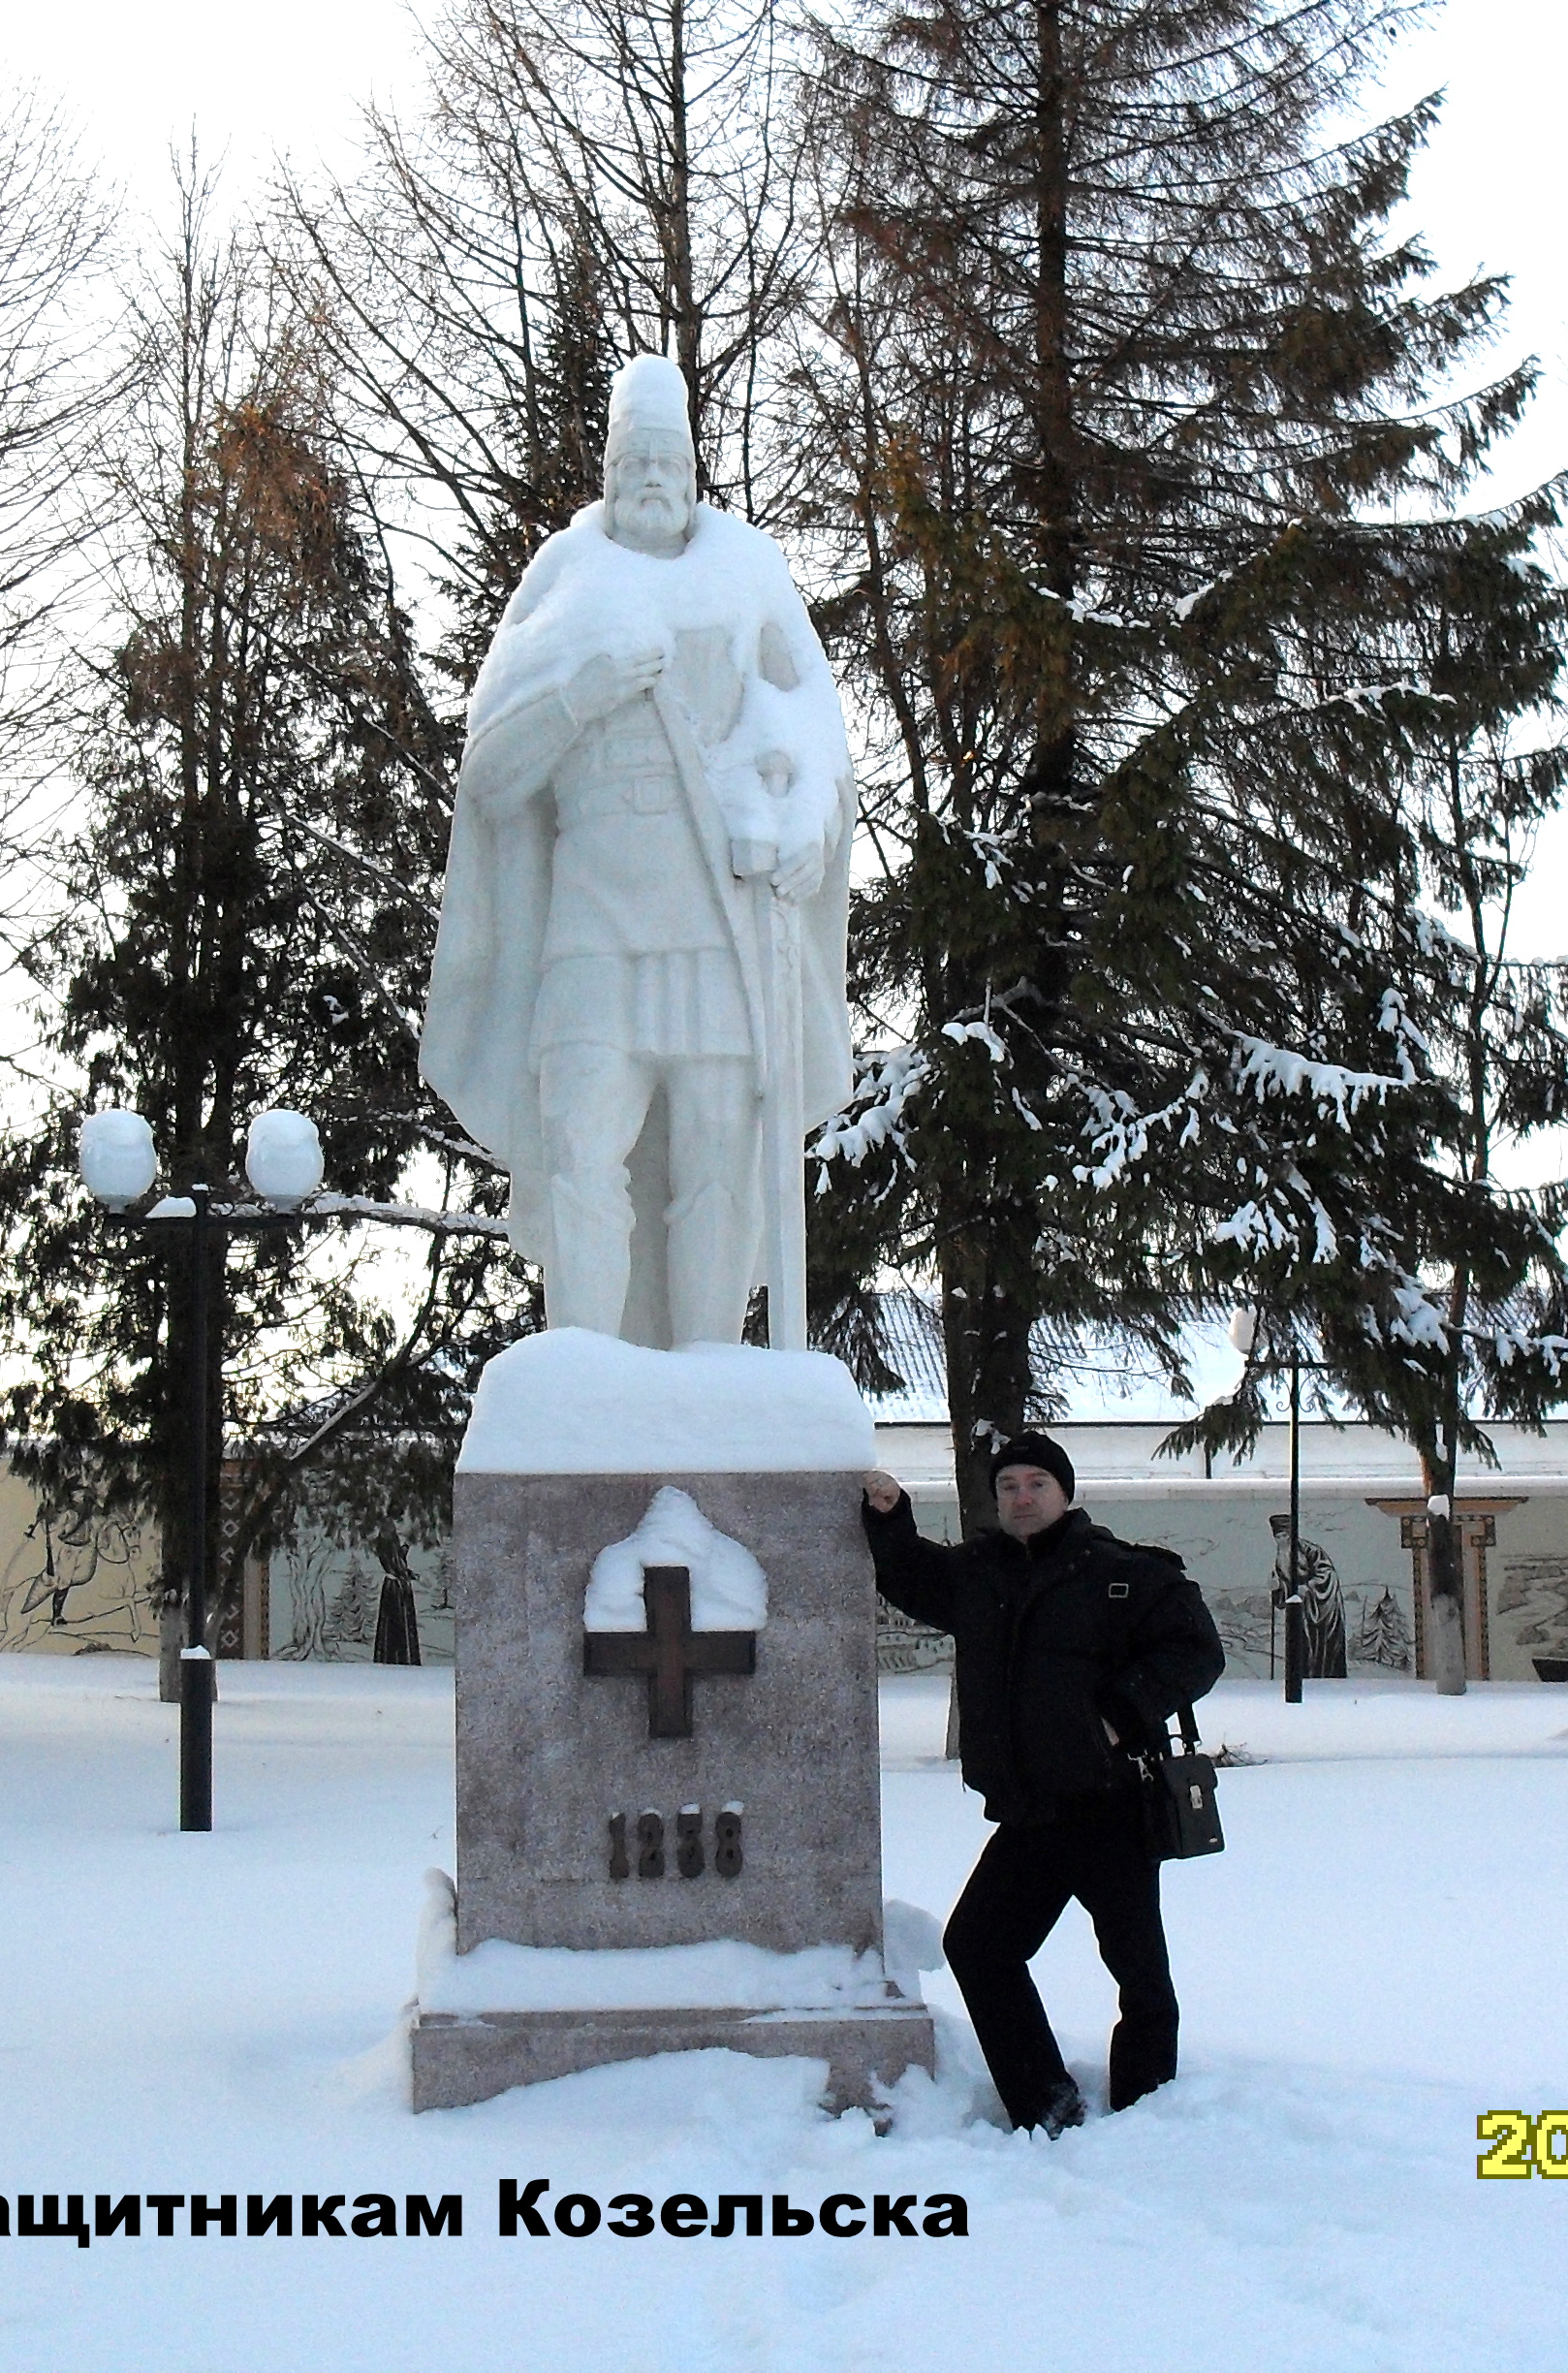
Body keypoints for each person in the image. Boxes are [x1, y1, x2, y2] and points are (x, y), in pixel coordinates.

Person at [420, 354, 854, 1347]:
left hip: (717, 922)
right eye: (635, 458)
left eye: (670, 457)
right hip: (593, 929)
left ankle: (708, 1366)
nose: (653, 476)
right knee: (580, 1151)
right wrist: (586, 690)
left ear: (694, 468)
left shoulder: (749, 571)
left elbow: (818, 742)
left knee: (714, 1160)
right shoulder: (565, 582)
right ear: (609, 468)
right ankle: (584, 1369)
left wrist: (802, 835)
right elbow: (489, 777)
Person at [862, 1432, 1224, 2134]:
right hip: (1032, 1815)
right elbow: (910, 1577)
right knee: (979, 1947)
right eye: (1008, 1487)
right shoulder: (981, 1573)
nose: (1022, 1498)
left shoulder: (1122, 1573)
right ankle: (1045, 2103)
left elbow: (1196, 1650)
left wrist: (1121, 1713)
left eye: (1036, 1484)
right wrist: (889, 1515)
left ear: (1065, 1492)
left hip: (1112, 1807)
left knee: (1139, 1973)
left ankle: (1148, 2108)